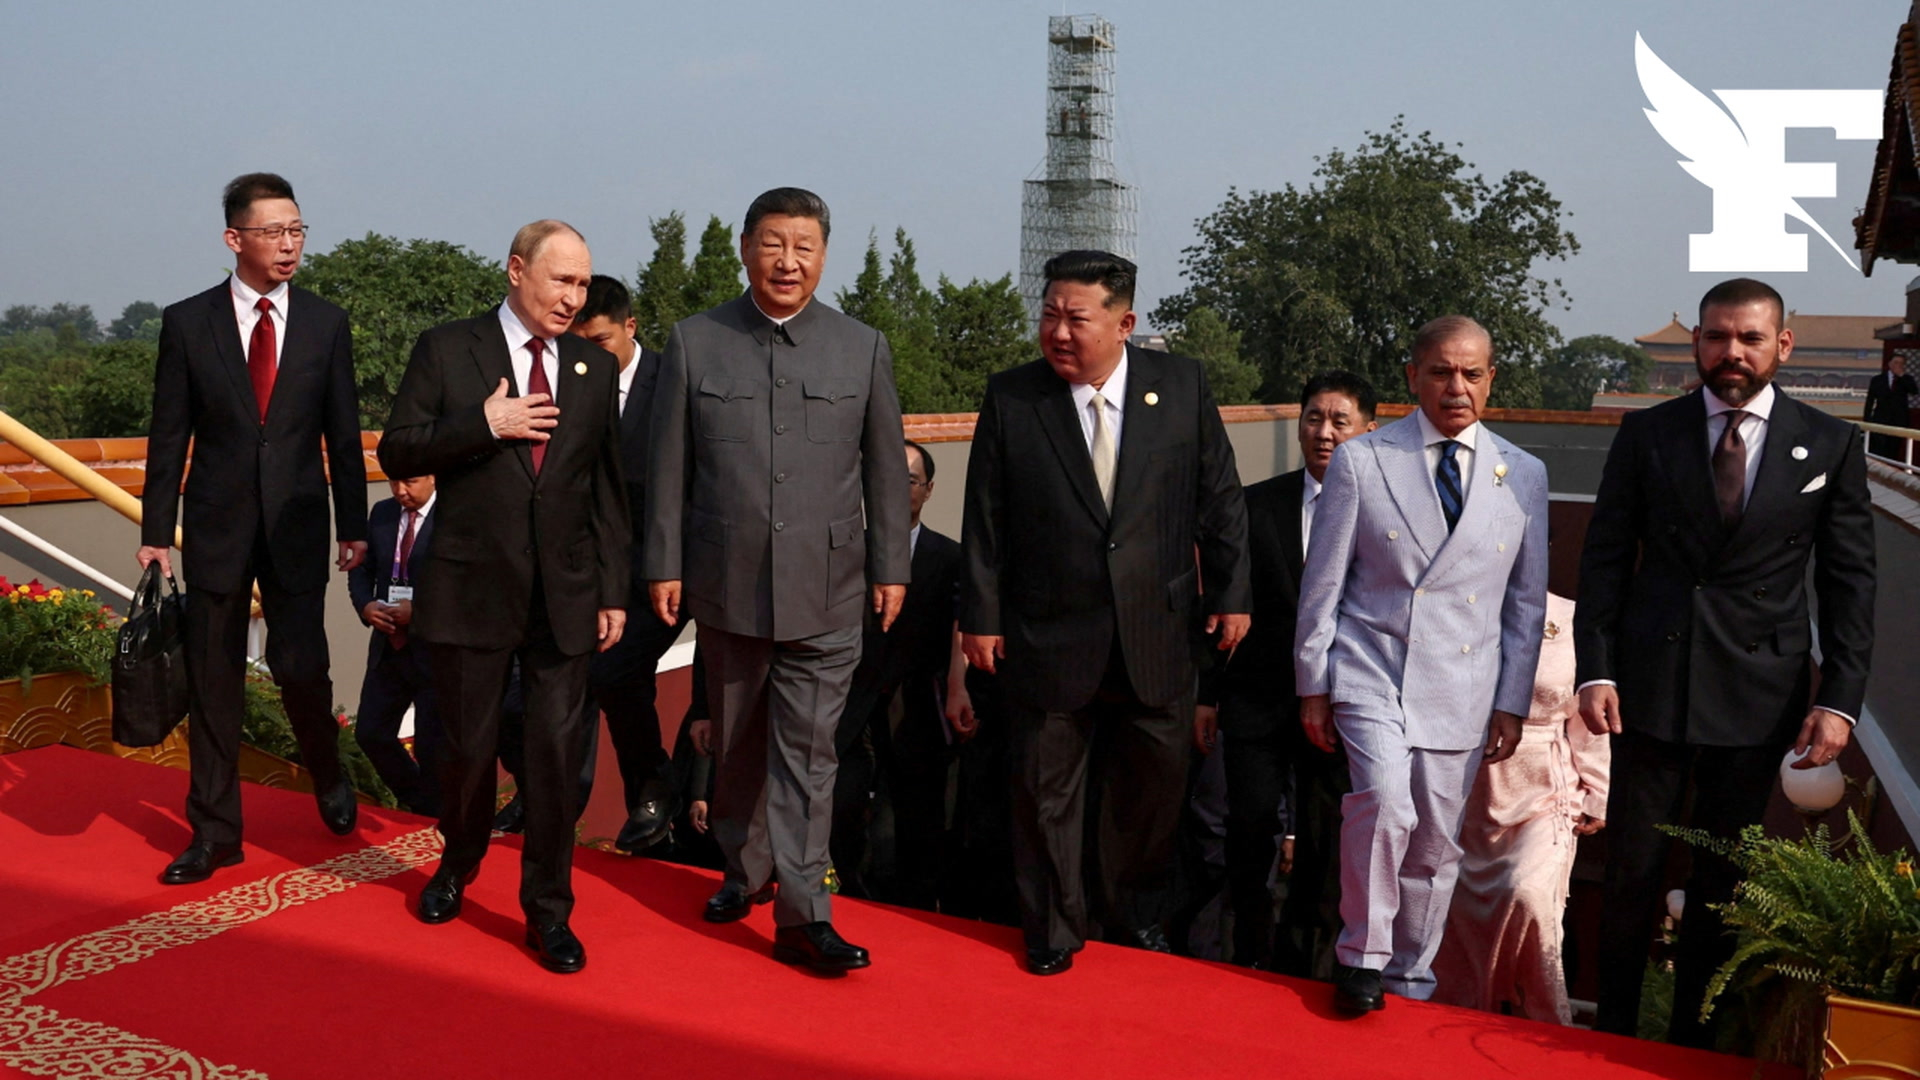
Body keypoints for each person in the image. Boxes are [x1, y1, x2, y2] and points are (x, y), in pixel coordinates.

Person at [1577, 277, 1876, 1046]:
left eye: (1748, 338)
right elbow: (1606, 558)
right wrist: (1596, 668)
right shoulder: (1650, 434)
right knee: (1633, 875)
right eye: (1716, 337)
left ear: (1783, 345)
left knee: (1721, 882)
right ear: (1696, 345)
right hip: (1647, 686)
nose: (1730, 353)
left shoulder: (1831, 442)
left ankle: (1693, 1046)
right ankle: (1608, 1035)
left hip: (1758, 692)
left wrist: (1839, 699)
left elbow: (1849, 580)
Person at [960, 250, 1252, 977]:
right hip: (1047, 631)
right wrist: (981, 616)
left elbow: (1220, 499)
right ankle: (1054, 927)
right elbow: (985, 519)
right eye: (1049, 315)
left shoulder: (1179, 386)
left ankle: (1134, 918)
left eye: (1076, 318)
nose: (1058, 332)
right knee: (1043, 793)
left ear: (1124, 322)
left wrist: (1232, 592)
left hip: (1158, 631)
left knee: (1149, 794)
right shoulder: (1014, 397)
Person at [643, 187, 911, 973]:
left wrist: (892, 565)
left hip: (828, 589)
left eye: (803, 246)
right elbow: (669, 467)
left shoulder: (862, 347)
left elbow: (887, 471)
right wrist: (664, 562)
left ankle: (802, 917)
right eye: (773, 243)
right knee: (738, 748)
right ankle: (745, 868)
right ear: (745, 248)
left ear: (823, 255)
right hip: (727, 585)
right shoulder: (696, 342)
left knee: (808, 755)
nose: (788, 261)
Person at [379, 220, 630, 975]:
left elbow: (607, 490)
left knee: (555, 760)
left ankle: (548, 910)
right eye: (561, 280)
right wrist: (482, 424)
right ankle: (456, 863)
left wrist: (612, 588)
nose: (573, 297)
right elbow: (398, 448)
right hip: (468, 587)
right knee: (464, 750)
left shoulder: (591, 366)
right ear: (517, 270)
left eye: (583, 284)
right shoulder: (447, 348)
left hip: (564, 597)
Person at [1294, 315, 1550, 1014]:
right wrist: (1313, 684)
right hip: (1371, 666)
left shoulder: (1523, 475)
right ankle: (1362, 957)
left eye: (1471, 373)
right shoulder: (1363, 460)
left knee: (1435, 843)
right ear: (1413, 378)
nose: (1456, 387)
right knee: (1381, 804)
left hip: (1463, 684)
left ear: (1492, 378)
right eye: (1440, 372)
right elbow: (1324, 584)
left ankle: (1410, 972)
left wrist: (1512, 700)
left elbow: (1526, 605)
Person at [139, 172, 368, 885]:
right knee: (214, 682)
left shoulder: (326, 323)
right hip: (216, 527)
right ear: (234, 239)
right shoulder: (187, 323)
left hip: (299, 525)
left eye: (298, 230)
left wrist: (354, 525)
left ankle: (327, 771)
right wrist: (155, 530)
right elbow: (168, 436)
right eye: (274, 231)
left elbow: (341, 431)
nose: (289, 244)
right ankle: (214, 832)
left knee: (303, 668)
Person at [1198, 370, 1377, 970]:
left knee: (1326, 843)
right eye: (1313, 419)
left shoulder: (1384, 512)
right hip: (1258, 699)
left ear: (1368, 430)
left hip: (1344, 704)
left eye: (1340, 422)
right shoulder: (1254, 504)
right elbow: (1220, 603)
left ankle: (1306, 965)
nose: (1324, 433)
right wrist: (1207, 694)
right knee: (1249, 833)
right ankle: (1246, 954)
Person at [1432, 591, 1608, 1024]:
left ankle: (1538, 1021)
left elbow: (1589, 712)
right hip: (1464, 786)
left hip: (1546, 785)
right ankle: (1457, 1023)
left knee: (1527, 894)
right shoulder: (1454, 604)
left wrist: (1597, 790)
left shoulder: (1572, 617)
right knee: (1455, 910)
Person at [566, 274, 684, 854]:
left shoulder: (675, 384)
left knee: (610, 672)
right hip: (588, 569)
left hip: (663, 572)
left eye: (602, 341)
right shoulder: (566, 381)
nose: (590, 355)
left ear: (631, 328)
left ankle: (655, 783)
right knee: (567, 677)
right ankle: (621, 799)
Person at [830, 438, 964, 907]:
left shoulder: (950, 559)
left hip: (916, 709)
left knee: (913, 822)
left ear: (928, 490)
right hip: (848, 706)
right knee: (842, 811)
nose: (899, 489)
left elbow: (958, 633)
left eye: (909, 480)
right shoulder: (844, 552)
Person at [347, 474, 441, 816]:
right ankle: (420, 800)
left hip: (434, 650)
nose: (401, 491)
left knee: (432, 745)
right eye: (394, 482)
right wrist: (366, 605)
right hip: (389, 646)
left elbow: (469, 583)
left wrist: (422, 611)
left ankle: (436, 816)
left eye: (411, 482)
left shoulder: (455, 515)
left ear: (433, 477)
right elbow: (361, 569)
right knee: (371, 733)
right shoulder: (383, 513)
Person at [1863, 353, 1917, 461]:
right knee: (1879, 448)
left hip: (1898, 421)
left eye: (1901, 363)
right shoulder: (1878, 380)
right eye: (1896, 362)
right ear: (1890, 364)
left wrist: (1901, 376)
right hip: (1880, 419)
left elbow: (1914, 391)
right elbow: (1870, 401)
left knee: (1893, 450)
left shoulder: (1906, 379)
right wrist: (1867, 420)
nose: (1898, 365)